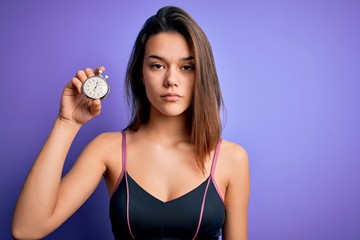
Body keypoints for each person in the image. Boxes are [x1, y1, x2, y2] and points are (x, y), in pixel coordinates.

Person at [12, 6, 250, 240]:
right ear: (141, 74)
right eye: (157, 65)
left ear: (202, 75)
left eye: (186, 67)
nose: (171, 81)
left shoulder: (232, 159)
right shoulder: (107, 149)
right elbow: (27, 229)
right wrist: (66, 123)